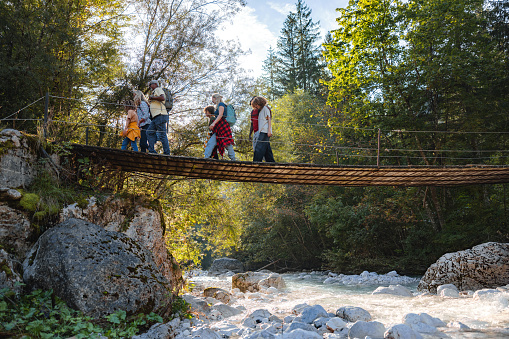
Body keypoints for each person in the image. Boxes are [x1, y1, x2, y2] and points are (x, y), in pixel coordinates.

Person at [204, 93, 236, 160]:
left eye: (212, 99)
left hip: (223, 126)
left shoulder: (221, 104)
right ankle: (206, 158)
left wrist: (213, 123)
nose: (212, 101)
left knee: (228, 144)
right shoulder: (218, 106)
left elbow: (220, 115)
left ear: (215, 98)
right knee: (210, 143)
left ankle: (233, 159)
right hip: (219, 128)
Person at [146, 80, 171, 155]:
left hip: (160, 115)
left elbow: (162, 98)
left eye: (150, 84)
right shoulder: (155, 91)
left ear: (155, 84)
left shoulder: (158, 89)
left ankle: (167, 153)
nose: (149, 86)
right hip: (156, 117)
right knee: (149, 132)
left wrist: (152, 97)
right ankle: (152, 151)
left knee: (162, 135)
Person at [251, 96, 275, 162]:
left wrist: (270, 131)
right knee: (267, 151)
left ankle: (255, 163)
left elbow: (269, 120)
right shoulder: (261, 111)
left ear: (259, 103)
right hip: (261, 131)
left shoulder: (265, 108)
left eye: (256, 105)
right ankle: (271, 163)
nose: (256, 107)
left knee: (258, 149)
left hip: (265, 131)